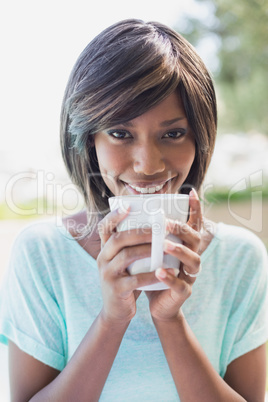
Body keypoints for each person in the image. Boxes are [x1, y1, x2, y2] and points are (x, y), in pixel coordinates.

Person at [0, 19, 267, 402]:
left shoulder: (241, 258)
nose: (148, 164)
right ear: (88, 139)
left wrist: (169, 320)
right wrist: (112, 319)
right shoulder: (42, 254)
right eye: (121, 134)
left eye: (173, 134)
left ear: (200, 138)